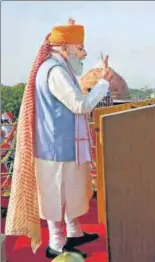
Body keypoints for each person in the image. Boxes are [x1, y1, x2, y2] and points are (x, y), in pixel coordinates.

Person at [5, 18, 114, 259]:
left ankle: (74, 232)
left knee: (71, 192)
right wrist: (104, 81)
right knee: (56, 196)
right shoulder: (54, 71)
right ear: (64, 48)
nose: (83, 54)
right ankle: (56, 243)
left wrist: (97, 71)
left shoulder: (60, 66)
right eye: (80, 48)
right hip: (54, 148)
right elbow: (80, 104)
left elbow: (76, 88)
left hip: (65, 146)